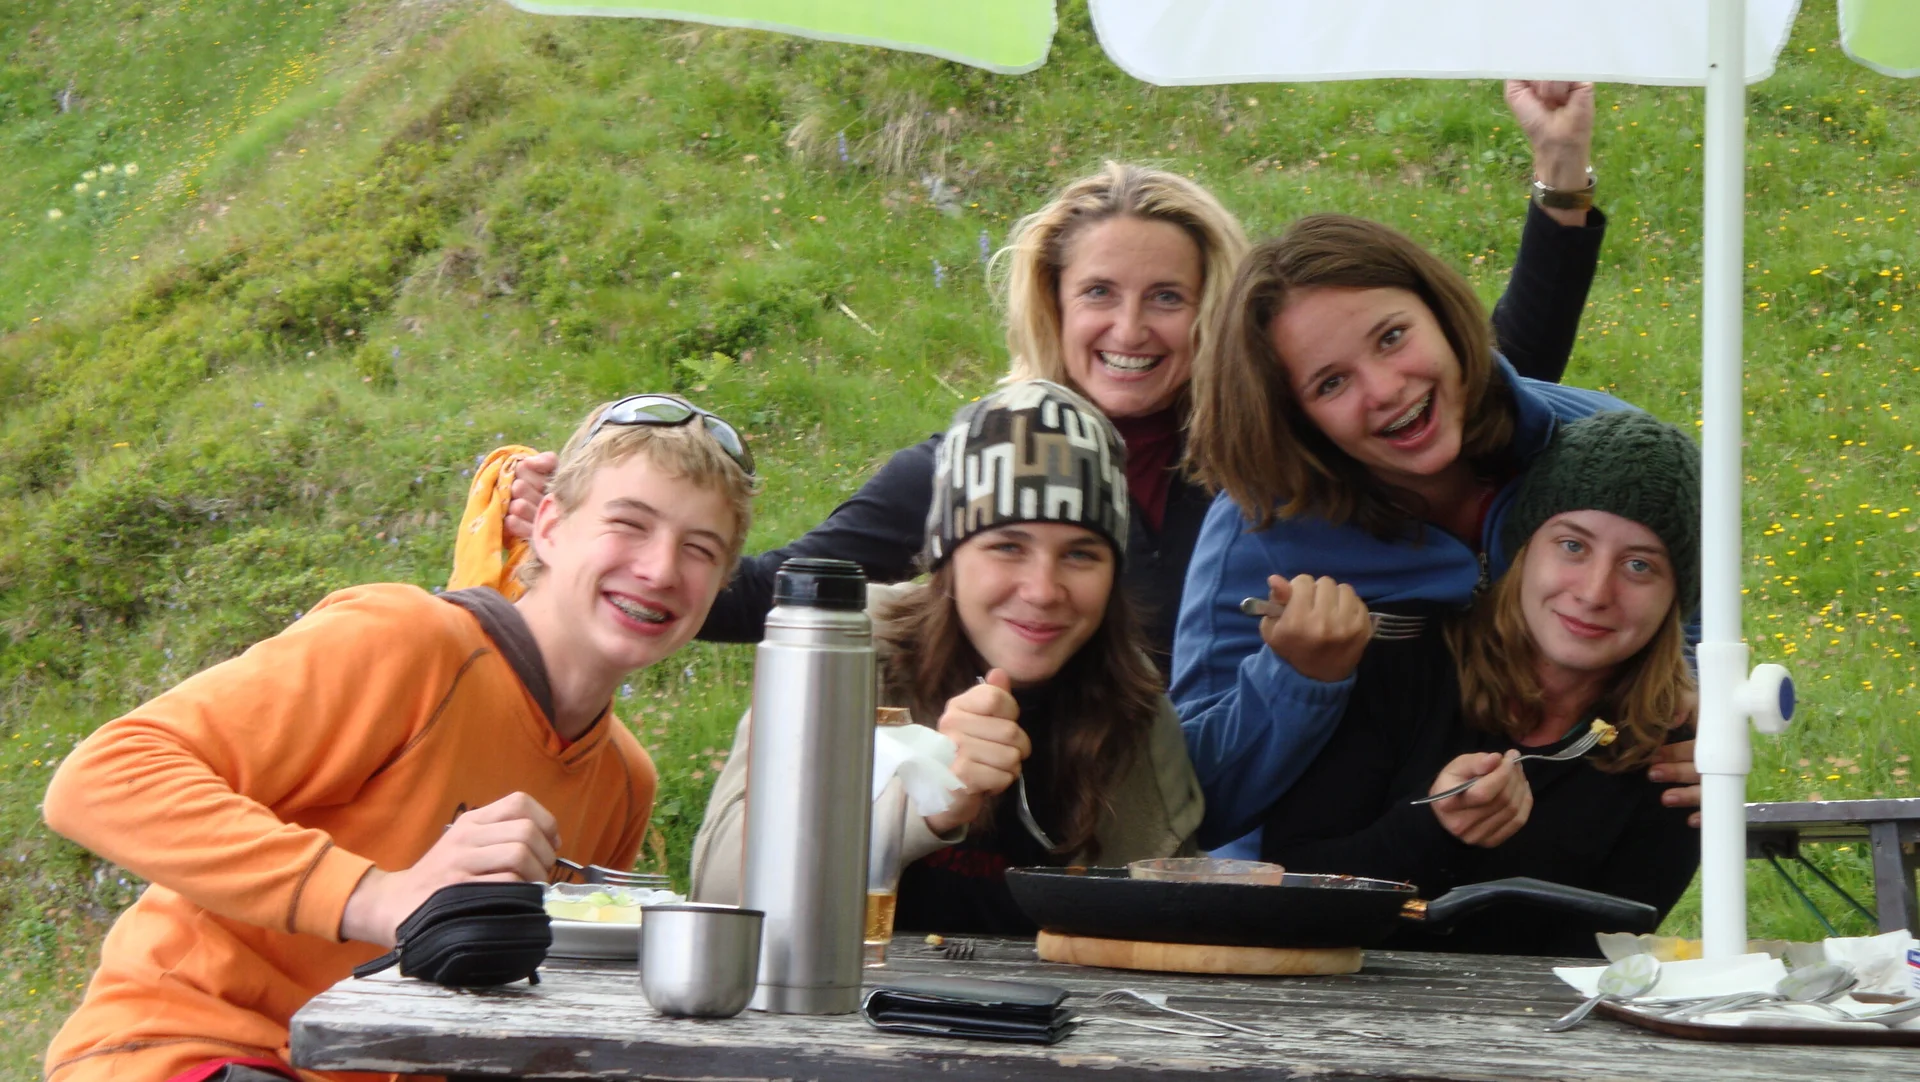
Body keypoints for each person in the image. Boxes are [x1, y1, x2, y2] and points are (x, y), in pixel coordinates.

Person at [463, 82, 1611, 673]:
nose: (1131, 328)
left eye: (1168, 296)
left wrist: (1560, 182)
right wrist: (591, 536)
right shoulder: (978, 464)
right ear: (1052, 308)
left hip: (1263, 822)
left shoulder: (1272, 444)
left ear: (1212, 311)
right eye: (1099, 293)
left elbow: (1478, 385)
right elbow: (778, 590)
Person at [40, 395, 757, 1082]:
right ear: (548, 526)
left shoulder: (624, 780)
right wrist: (383, 898)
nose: (660, 569)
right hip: (197, 1048)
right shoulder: (409, 643)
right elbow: (103, 777)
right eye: (628, 524)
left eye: (700, 549)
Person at [1174, 213, 1700, 852]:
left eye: (1392, 337)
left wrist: (1696, 717)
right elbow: (1192, 802)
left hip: (1565, 864)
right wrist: (1298, 679)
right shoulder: (1258, 530)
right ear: (1296, 419)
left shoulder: (1606, 449)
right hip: (1317, 883)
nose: (1385, 389)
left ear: (1445, 317)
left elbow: (1693, 621)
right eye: (1331, 383)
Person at [688, 381, 1203, 934]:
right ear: (946, 558)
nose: (1043, 590)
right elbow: (718, 888)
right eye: (1008, 546)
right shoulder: (848, 655)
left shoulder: (1132, 702)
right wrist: (924, 802)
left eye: (1080, 554)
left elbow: (1169, 922)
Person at [1258, 411, 1702, 957]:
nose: (1594, 592)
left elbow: (1595, 956)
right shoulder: (1405, 661)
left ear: (1676, 598)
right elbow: (1290, 884)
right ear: (1524, 550)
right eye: (1572, 546)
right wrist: (1432, 827)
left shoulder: (1676, 761)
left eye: (1639, 566)